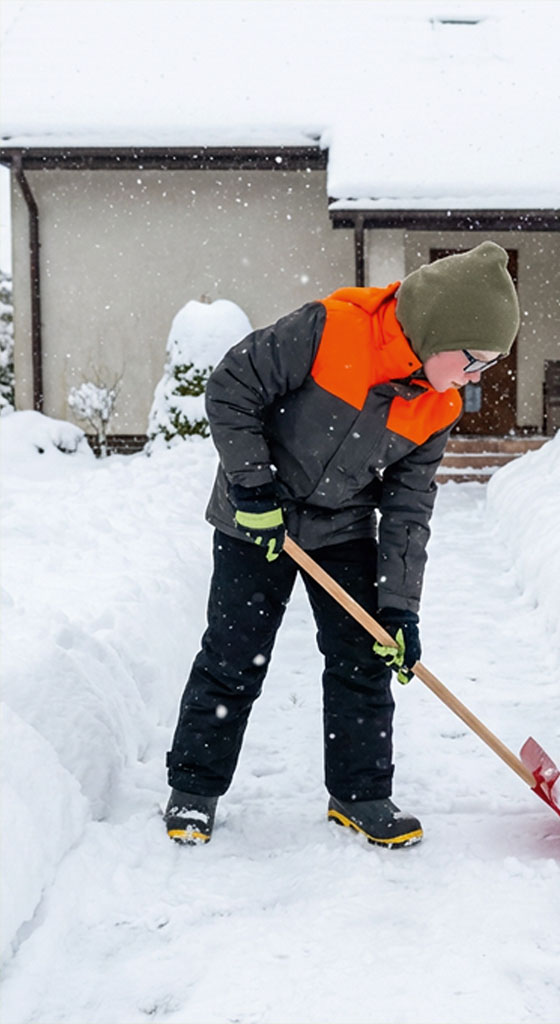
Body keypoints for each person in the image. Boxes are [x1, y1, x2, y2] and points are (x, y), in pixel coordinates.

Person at [163, 241, 519, 848]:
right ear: (438, 332)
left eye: (485, 366)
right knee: (233, 656)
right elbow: (231, 389)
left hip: (340, 524)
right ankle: (194, 791)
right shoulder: (333, 329)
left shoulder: (439, 405)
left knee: (364, 657)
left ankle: (360, 795)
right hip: (255, 516)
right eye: (472, 359)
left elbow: (409, 508)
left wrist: (400, 608)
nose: (474, 377)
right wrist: (254, 493)